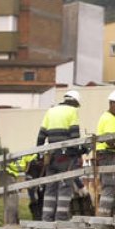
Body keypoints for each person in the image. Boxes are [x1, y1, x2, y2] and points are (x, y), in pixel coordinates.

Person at [37, 90, 82, 222]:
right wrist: (78, 151)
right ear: (75, 102)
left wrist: (40, 155)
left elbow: (41, 136)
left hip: (51, 156)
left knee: (50, 188)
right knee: (65, 187)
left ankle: (46, 219)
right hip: (66, 157)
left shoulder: (51, 111)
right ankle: (61, 219)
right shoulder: (72, 111)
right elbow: (75, 137)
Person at [0, 152, 40, 225]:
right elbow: (28, 166)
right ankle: (11, 224)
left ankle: (10, 223)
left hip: (7, 174)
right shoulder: (29, 155)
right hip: (7, 175)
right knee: (12, 201)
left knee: (11, 201)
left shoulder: (22, 154)